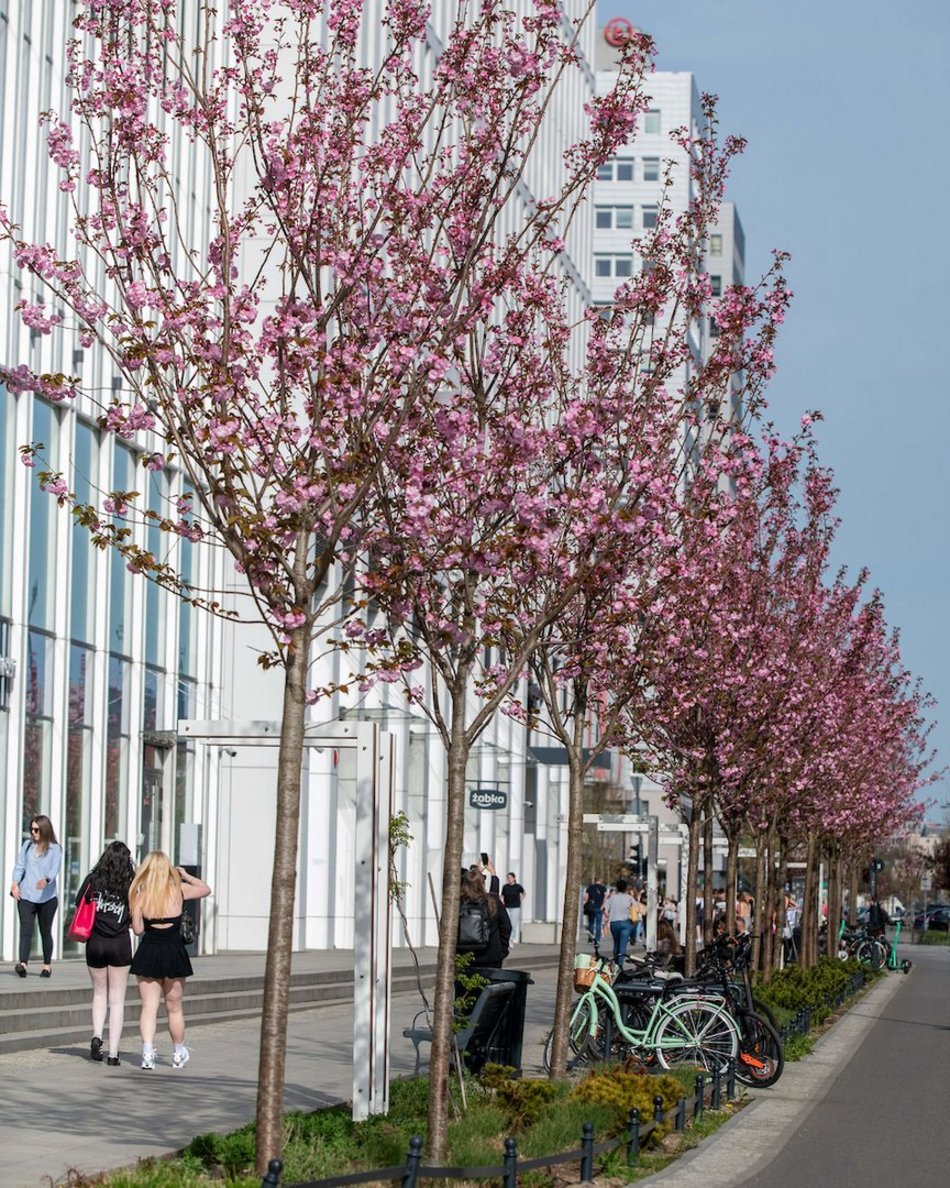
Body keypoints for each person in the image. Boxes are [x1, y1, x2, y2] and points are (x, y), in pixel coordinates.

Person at [129, 851, 211, 1070]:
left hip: (149, 952)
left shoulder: (140, 896)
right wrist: (185, 875)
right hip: (174, 952)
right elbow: (206, 889)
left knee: (149, 1006)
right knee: (174, 1008)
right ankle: (178, 1052)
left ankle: (147, 1053)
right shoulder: (179, 890)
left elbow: (137, 930)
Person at [75, 841, 135, 1065]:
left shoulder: (93, 879)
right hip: (119, 944)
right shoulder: (131, 883)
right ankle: (113, 1054)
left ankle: (97, 1035)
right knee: (117, 1000)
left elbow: (77, 903)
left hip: (95, 942)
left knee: (99, 993)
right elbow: (135, 914)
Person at [10, 815, 62, 978]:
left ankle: (47, 965)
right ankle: (23, 963)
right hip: (26, 894)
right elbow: (20, 867)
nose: (33, 833)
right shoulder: (27, 846)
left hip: (47, 898)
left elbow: (54, 870)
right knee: (26, 929)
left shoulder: (55, 849)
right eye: (31, 829)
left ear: (45, 830)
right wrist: (15, 884)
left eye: (36, 829)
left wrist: (46, 880)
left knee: (45, 930)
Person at [459, 869, 511, 969]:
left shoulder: (459, 903)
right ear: (482, 884)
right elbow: (506, 927)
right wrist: (502, 950)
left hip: (464, 956)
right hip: (491, 955)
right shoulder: (493, 901)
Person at [604, 878, 636, 963]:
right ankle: (620, 965)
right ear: (625, 888)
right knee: (623, 945)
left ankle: (615, 962)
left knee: (616, 944)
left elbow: (605, 910)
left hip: (614, 923)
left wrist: (608, 918)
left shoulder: (612, 898)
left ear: (617, 888)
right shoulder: (629, 898)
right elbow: (635, 909)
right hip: (625, 923)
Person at [500, 872, 525, 944]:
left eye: (510, 878)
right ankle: (506, 939)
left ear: (514, 878)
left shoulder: (518, 887)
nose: (509, 879)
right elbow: (502, 895)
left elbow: (524, 893)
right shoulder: (505, 887)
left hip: (515, 907)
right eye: (508, 878)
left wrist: (521, 899)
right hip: (507, 907)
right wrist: (502, 902)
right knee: (506, 923)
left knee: (513, 924)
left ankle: (511, 939)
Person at [583, 877, 607, 945]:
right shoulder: (603, 888)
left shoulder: (590, 888)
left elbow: (586, 897)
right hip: (599, 907)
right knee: (598, 924)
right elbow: (606, 896)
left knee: (591, 923)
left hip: (591, 907)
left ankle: (590, 939)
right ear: (600, 880)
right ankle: (597, 939)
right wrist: (603, 905)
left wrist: (586, 904)